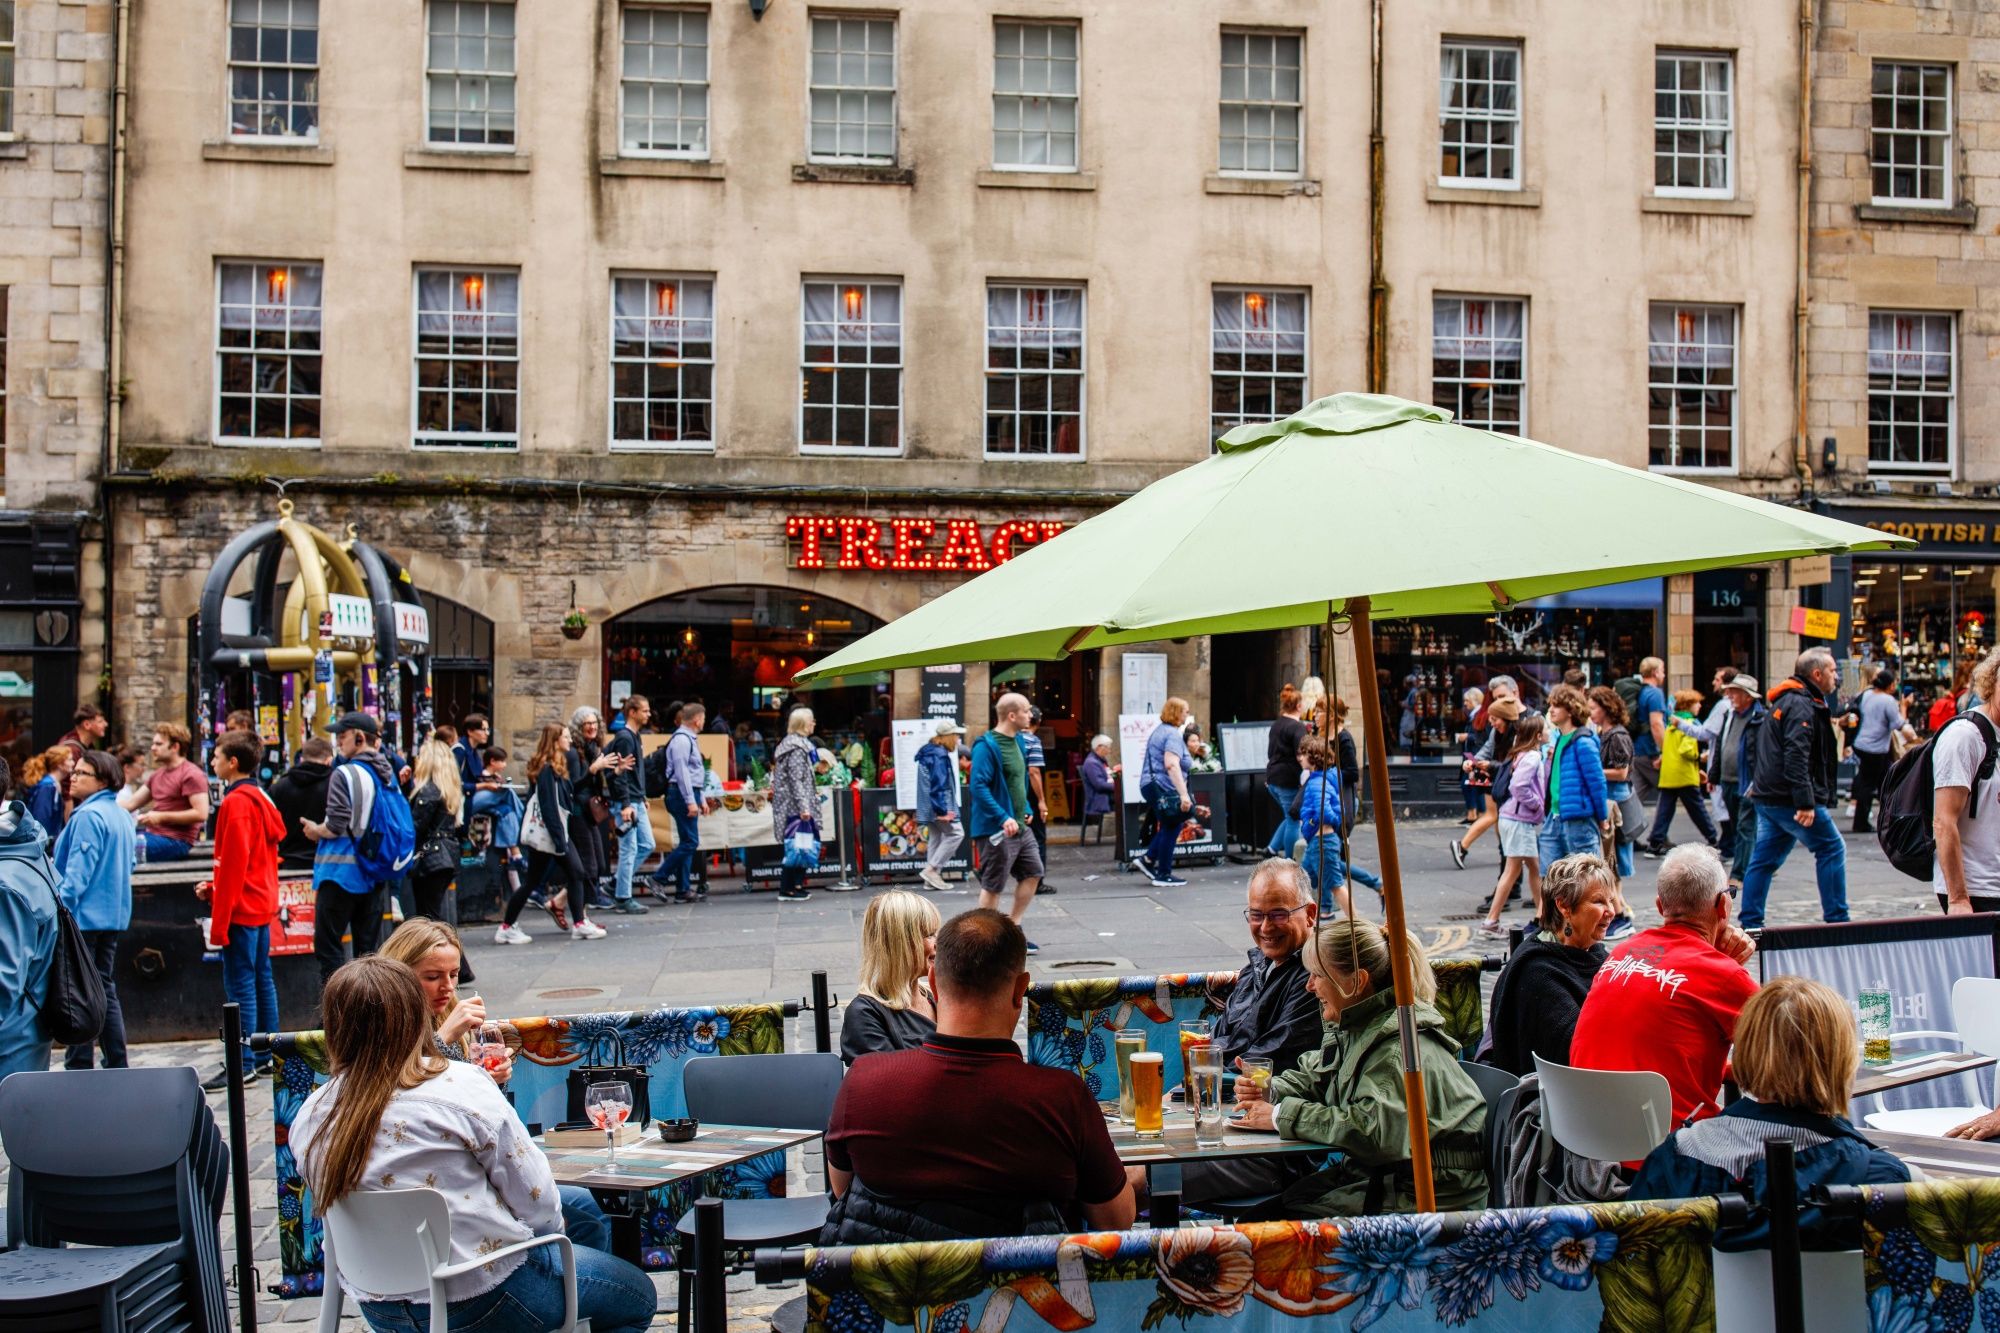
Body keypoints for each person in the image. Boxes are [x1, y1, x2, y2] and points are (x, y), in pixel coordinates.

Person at [291, 958, 656, 1332]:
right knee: (637, 1297)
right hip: (483, 1297)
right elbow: (540, 1204)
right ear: (415, 1017)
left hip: (380, 1306)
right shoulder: (460, 1086)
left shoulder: (311, 1113)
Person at [820, 909, 1136, 1243]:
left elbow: (844, 1191)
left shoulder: (863, 1083)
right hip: (1026, 1275)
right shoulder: (1062, 1098)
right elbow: (1116, 1220)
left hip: (891, 1277)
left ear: (934, 984)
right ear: (1020, 990)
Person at [1628, 975, 1909, 1249]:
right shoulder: (1881, 1181)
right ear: (1842, 1059)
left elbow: (1633, 1254)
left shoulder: (1676, 1156)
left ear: (1746, 1049)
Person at [1232, 918, 1488, 1216]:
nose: (1309, 985)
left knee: (1261, 1228)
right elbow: (1319, 1075)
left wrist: (1279, 1115)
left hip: (1421, 1197)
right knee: (1262, 1217)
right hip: (1382, 1180)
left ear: (1356, 981)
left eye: (1318, 975)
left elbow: (1373, 1133)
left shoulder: (1396, 1047)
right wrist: (1269, 1089)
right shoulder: (1360, 1025)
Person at [1569, 844, 1759, 1131]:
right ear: (1722, 905)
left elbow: (1659, 1045)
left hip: (1587, 1136)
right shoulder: (1723, 976)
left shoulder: (1621, 952)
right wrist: (1724, 966)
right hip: (1669, 1146)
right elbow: (1792, 1059)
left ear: (1660, 906)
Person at [1171, 859, 1325, 1205]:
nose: (1265, 927)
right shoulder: (1257, 966)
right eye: (1256, 915)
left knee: (1133, 1178)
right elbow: (1218, 1046)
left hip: (1278, 1150)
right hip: (1227, 1124)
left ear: (1310, 914)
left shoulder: (1315, 979)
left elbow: (1258, 1066)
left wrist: (1207, 1071)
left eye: (1278, 914)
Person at [1739, 648, 1849, 936]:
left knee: (1764, 859)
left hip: (1770, 795)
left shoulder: (1788, 700)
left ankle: (1750, 920)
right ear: (1817, 674)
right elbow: (1796, 755)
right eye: (1832, 671)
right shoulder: (1800, 704)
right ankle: (1838, 920)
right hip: (1787, 797)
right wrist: (1804, 802)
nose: (1836, 677)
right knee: (1831, 848)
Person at [1481, 853, 1614, 1076]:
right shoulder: (1537, 971)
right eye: (1599, 901)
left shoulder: (1597, 956)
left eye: (1611, 900)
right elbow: (1576, 1049)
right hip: (1556, 1091)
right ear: (1564, 906)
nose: (1611, 911)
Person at [198, 733, 282, 1089]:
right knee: (262, 979)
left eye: (216, 756)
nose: (212, 762)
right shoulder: (260, 797)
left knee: (241, 985)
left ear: (232, 762)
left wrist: (220, 913)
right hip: (260, 902)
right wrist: (214, 888)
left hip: (242, 907)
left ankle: (243, 1061)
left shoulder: (236, 803)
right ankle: (266, 1056)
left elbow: (233, 863)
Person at [51, 747, 136, 1071]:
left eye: (81, 773)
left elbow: (76, 876)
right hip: (112, 917)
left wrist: (60, 912)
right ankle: (116, 1061)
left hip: (83, 919)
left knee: (79, 991)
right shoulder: (120, 815)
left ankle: (80, 1063)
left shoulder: (89, 816)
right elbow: (130, 863)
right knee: (103, 987)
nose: (73, 778)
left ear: (102, 780)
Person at [301, 713, 401, 983]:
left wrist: (315, 830)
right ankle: (369, 1002)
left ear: (358, 737)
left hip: (340, 873)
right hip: (374, 871)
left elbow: (336, 824)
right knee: (368, 954)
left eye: (342, 736)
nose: (338, 743)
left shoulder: (344, 773)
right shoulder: (387, 773)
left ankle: (338, 1003)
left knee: (328, 947)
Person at [496, 725, 605, 944]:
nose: (570, 741)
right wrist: (560, 840)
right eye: (566, 737)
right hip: (552, 834)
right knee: (571, 873)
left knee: (554, 877)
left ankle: (510, 926)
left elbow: (571, 792)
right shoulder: (547, 769)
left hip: (553, 834)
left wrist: (591, 771)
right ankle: (577, 924)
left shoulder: (556, 766)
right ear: (555, 740)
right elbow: (549, 807)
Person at [1673, 675, 1765, 891]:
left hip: (1747, 782)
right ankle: (1755, 862)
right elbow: (1721, 746)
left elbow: (1763, 754)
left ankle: (1739, 874)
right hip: (1728, 780)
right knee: (1737, 826)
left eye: (1734, 692)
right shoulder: (1729, 714)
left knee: (1745, 827)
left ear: (1747, 696)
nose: (1729, 695)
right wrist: (1714, 776)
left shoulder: (1760, 718)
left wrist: (1757, 782)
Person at [967, 693, 1045, 942]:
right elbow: (978, 786)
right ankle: (985, 940)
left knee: (1034, 872)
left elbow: (1019, 781)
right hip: (997, 830)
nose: (1030, 715)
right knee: (993, 885)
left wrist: (1027, 808)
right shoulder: (986, 746)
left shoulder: (1020, 741)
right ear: (1012, 715)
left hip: (1020, 826)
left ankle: (1012, 928)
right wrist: (1003, 817)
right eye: (1026, 710)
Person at [0, 756, 58, 1084]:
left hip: (10, 1049)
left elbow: (3, 984)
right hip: (24, 1038)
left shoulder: (5, 883)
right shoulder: (27, 847)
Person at [1933, 645, 2000, 914]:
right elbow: (1943, 821)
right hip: (1979, 891)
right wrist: (1958, 898)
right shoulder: (1965, 736)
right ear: (1992, 683)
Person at [840, 889, 941, 1064]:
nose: (938, 943)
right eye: (929, 935)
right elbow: (886, 1077)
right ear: (899, 944)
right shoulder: (865, 1014)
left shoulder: (937, 995)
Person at [1292, 734, 1381, 913]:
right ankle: (1306, 917)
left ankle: (1354, 924)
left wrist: (1312, 823)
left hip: (1322, 842)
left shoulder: (1317, 783)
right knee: (1301, 882)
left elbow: (1325, 812)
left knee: (1335, 886)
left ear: (1313, 757)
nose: (1300, 758)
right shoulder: (1324, 779)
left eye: (1304, 754)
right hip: (1319, 842)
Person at [1480, 714, 1550, 936]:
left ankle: (1543, 917)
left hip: (1513, 818)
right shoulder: (1532, 757)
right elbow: (1519, 787)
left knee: (1534, 868)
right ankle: (1491, 922)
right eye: (1546, 729)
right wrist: (1537, 805)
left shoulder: (1523, 755)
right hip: (1519, 820)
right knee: (1514, 870)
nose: (1549, 731)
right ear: (1538, 736)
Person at [1539, 685, 1611, 872]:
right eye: (1550, 705)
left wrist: (1602, 817)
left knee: (1585, 877)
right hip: (1554, 816)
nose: (1551, 710)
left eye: (1556, 706)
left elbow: (1597, 783)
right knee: (1550, 876)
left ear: (1571, 710)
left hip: (1579, 819)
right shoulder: (1560, 739)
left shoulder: (1583, 741)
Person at [1641, 689, 1722, 856]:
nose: (1699, 706)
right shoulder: (1689, 724)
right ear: (1688, 705)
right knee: (1698, 809)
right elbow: (1687, 750)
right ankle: (1713, 838)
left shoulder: (1671, 724)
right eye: (1696, 703)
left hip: (1669, 774)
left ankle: (1655, 844)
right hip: (1685, 775)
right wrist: (1700, 757)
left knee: (1664, 810)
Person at [653, 699, 717, 905]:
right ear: (697, 719)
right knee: (690, 842)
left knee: (686, 841)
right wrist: (691, 800)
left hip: (687, 794)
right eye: (703, 718)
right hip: (681, 795)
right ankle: (658, 878)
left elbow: (694, 773)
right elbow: (682, 773)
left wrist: (701, 798)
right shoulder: (682, 740)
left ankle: (683, 889)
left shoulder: (688, 739)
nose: (704, 721)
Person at [119, 721, 210, 863]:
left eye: (158, 744)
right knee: (112, 841)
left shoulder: (191, 774)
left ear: (175, 747)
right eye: (153, 743)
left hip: (176, 841)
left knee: (119, 848)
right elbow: (130, 804)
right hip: (152, 836)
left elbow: (201, 813)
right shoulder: (157, 775)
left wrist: (161, 817)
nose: (153, 748)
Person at [1451, 692, 1524, 868]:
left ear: (1506, 719)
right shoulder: (1496, 733)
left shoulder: (1518, 735)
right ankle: (1504, 854)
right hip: (1498, 781)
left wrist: (1491, 765)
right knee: (1497, 817)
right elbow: (1487, 749)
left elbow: (1514, 764)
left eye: (1495, 719)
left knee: (1497, 817)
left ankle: (1469, 847)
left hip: (1511, 785)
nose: (1491, 723)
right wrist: (1472, 761)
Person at [1134, 696, 1195, 889]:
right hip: (1163, 787)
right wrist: (1183, 794)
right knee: (1173, 824)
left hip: (1153, 785)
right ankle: (1163, 873)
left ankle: (1148, 860)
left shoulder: (1161, 731)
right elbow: (1171, 764)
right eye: (1185, 711)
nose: (1187, 714)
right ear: (1177, 713)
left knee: (1172, 824)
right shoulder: (1172, 735)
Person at [1850, 669, 1917, 834]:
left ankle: (1883, 818)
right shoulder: (1888, 700)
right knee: (1874, 784)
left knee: (1878, 781)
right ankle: (1867, 821)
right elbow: (1897, 723)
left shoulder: (1866, 695)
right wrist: (1909, 728)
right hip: (1876, 748)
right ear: (1890, 685)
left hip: (1862, 743)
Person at [602, 694, 652, 915]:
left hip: (635, 799)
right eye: (645, 710)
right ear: (632, 712)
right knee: (629, 849)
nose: (649, 714)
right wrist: (625, 804)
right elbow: (620, 774)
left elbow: (633, 773)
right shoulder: (625, 738)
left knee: (646, 844)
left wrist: (642, 796)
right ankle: (623, 897)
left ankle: (615, 884)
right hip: (628, 802)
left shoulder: (634, 736)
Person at [405, 739, 464, 923]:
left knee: (428, 916)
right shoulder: (448, 790)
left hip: (431, 856)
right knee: (432, 913)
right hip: (446, 854)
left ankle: (448, 943)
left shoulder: (429, 790)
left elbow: (416, 826)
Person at [566, 707, 616, 911]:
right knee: (589, 860)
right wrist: (593, 769)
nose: (592, 727)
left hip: (590, 811)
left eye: (595, 723)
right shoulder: (573, 753)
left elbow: (597, 781)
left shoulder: (592, 748)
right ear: (579, 727)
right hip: (578, 811)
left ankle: (591, 894)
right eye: (587, 723)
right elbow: (574, 786)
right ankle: (590, 898)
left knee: (599, 859)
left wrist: (615, 770)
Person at [769, 707, 819, 904]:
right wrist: (804, 807)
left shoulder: (794, 744)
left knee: (802, 844)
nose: (814, 723)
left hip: (793, 804)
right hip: (795, 806)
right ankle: (787, 888)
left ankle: (796, 885)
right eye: (811, 720)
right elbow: (795, 780)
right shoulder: (797, 748)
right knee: (795, 847)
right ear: (803, 724)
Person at [268, 737, 334, 871]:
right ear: (329, 760)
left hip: (288, 863)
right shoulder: (336, 785)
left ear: (302, 758)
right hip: (327, 863)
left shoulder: (279, 787)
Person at [914, 719, 965, 892]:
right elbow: (939, 784)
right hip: (938, 805)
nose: (958, 740)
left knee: (935, 837)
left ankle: (931, 880)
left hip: (927, 805)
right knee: (956, 833)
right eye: (956, 735)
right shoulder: (939, 755)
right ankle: (932, 870)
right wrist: (942, 810)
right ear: (948, 736)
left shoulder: (929, 751)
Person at [1265, 685, 1309, 856]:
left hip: (1272, 779)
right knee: (1293, 819)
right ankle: (1291, 860)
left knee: (1288, 815)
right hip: (1287, 780)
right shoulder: (1297, 727)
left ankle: (1272, 849)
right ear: (1298, 706)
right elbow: (1302, 754)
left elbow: (1270, 752)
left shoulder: (1277, 724)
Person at [1021, 706, 1053, 890]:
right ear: (1039, 722)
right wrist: (1041, 800)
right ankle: (1037, 881)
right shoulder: (1032, 740)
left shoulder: (1009, 739)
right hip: (1029, 794)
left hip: (1011, 791)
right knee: (1038, 836)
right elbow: (1033, 771)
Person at [1631, 656, 1670, 806]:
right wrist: (1667, 751)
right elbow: (1656, 725)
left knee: (1633, 800)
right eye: (1662, 671)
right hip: (1650, 752)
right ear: (1655, 672)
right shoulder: (1655, 694)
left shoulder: (1639, 692)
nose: (1664, 675)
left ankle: (1621, 822)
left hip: (1637, 751)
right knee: (1676, 788)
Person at [17, 745, 70, 846]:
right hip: (43, 844)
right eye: (70, 760)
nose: (73, 763)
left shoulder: (52, 785)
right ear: (60, 764)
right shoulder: (47, 787)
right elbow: (41, 819)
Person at [1458, 686, 1490, 825]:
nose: (1465, 704)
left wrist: (1467, 737)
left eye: (1467, 701)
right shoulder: (1473, 715)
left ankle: (1479, 816)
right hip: (1470, 754)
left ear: (1475, 700)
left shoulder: (1481, 716)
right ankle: (1473, 815)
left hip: (1476, 754)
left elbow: (1483, 737)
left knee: (1475, 785)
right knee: (1469, 785)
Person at [1079, 734, 1116, 831]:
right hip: (1099, 799)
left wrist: (1116, 773)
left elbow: (1108, 776)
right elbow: (1099, 785)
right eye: (1108, 747)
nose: (1109, 751)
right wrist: (1118, 787)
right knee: (1128, 803)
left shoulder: (1100, 761)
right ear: (1099, 747)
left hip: (1106, 796)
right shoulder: (1092, 763)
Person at [453, 715, 490, 798]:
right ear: (470, 731)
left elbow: (478, 775)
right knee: (504, 794)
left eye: (488, 729)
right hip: (463, 797)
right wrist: (484, 785)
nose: (487, 733)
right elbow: (454, 783)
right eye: (483, 729)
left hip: (472, 794)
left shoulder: (473, 751)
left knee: (506, 801)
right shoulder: (459, 750)